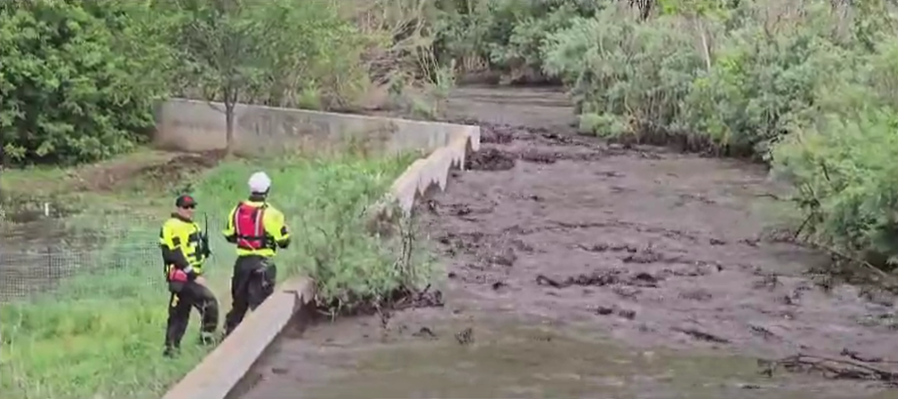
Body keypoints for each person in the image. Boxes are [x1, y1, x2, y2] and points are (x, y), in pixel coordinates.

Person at [222, 171, 291, 337]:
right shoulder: (273, 214)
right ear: (267, 190)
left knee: (239, 304)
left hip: (242, 263)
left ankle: (228, 337)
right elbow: (283, 242)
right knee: (262, 307)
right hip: (263, 263)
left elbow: (229, 236)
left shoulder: (236, 211)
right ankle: (262, 339)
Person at [158, 194, 219, 357]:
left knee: (180, 313)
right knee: (209, 303)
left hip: (191, 277)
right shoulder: (171, 226)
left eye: (192, 206)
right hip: (182, 278)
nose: (190, 210)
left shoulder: (194, 226)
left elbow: (196, 251)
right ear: (178, 208)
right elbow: (174, 254)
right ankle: (205, 338)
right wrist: (193, 275)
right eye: (186, 207)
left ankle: (171, 349)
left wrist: (204, 249)